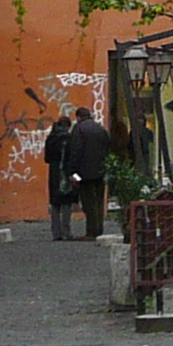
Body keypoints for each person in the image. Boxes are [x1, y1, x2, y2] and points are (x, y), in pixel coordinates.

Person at [63, 104, 111, 243]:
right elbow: (107, 148)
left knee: (88, 203)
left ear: (78, 117)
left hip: (85, 173)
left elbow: (75, 152)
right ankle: (99, 229)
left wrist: (73, 174)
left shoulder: (79, 129)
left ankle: (91, 231)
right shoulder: (100, 128)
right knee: (99, 202)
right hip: (100, 171)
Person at [41, 110, 75, 241]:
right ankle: (66, 231)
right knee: (66, 202)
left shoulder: (51, 137)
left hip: (53, 172)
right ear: (67, 126)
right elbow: (72, 156)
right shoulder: (68, 137)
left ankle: (56, 233)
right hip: (66, 172)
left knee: (55, 203)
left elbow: (47, 158)